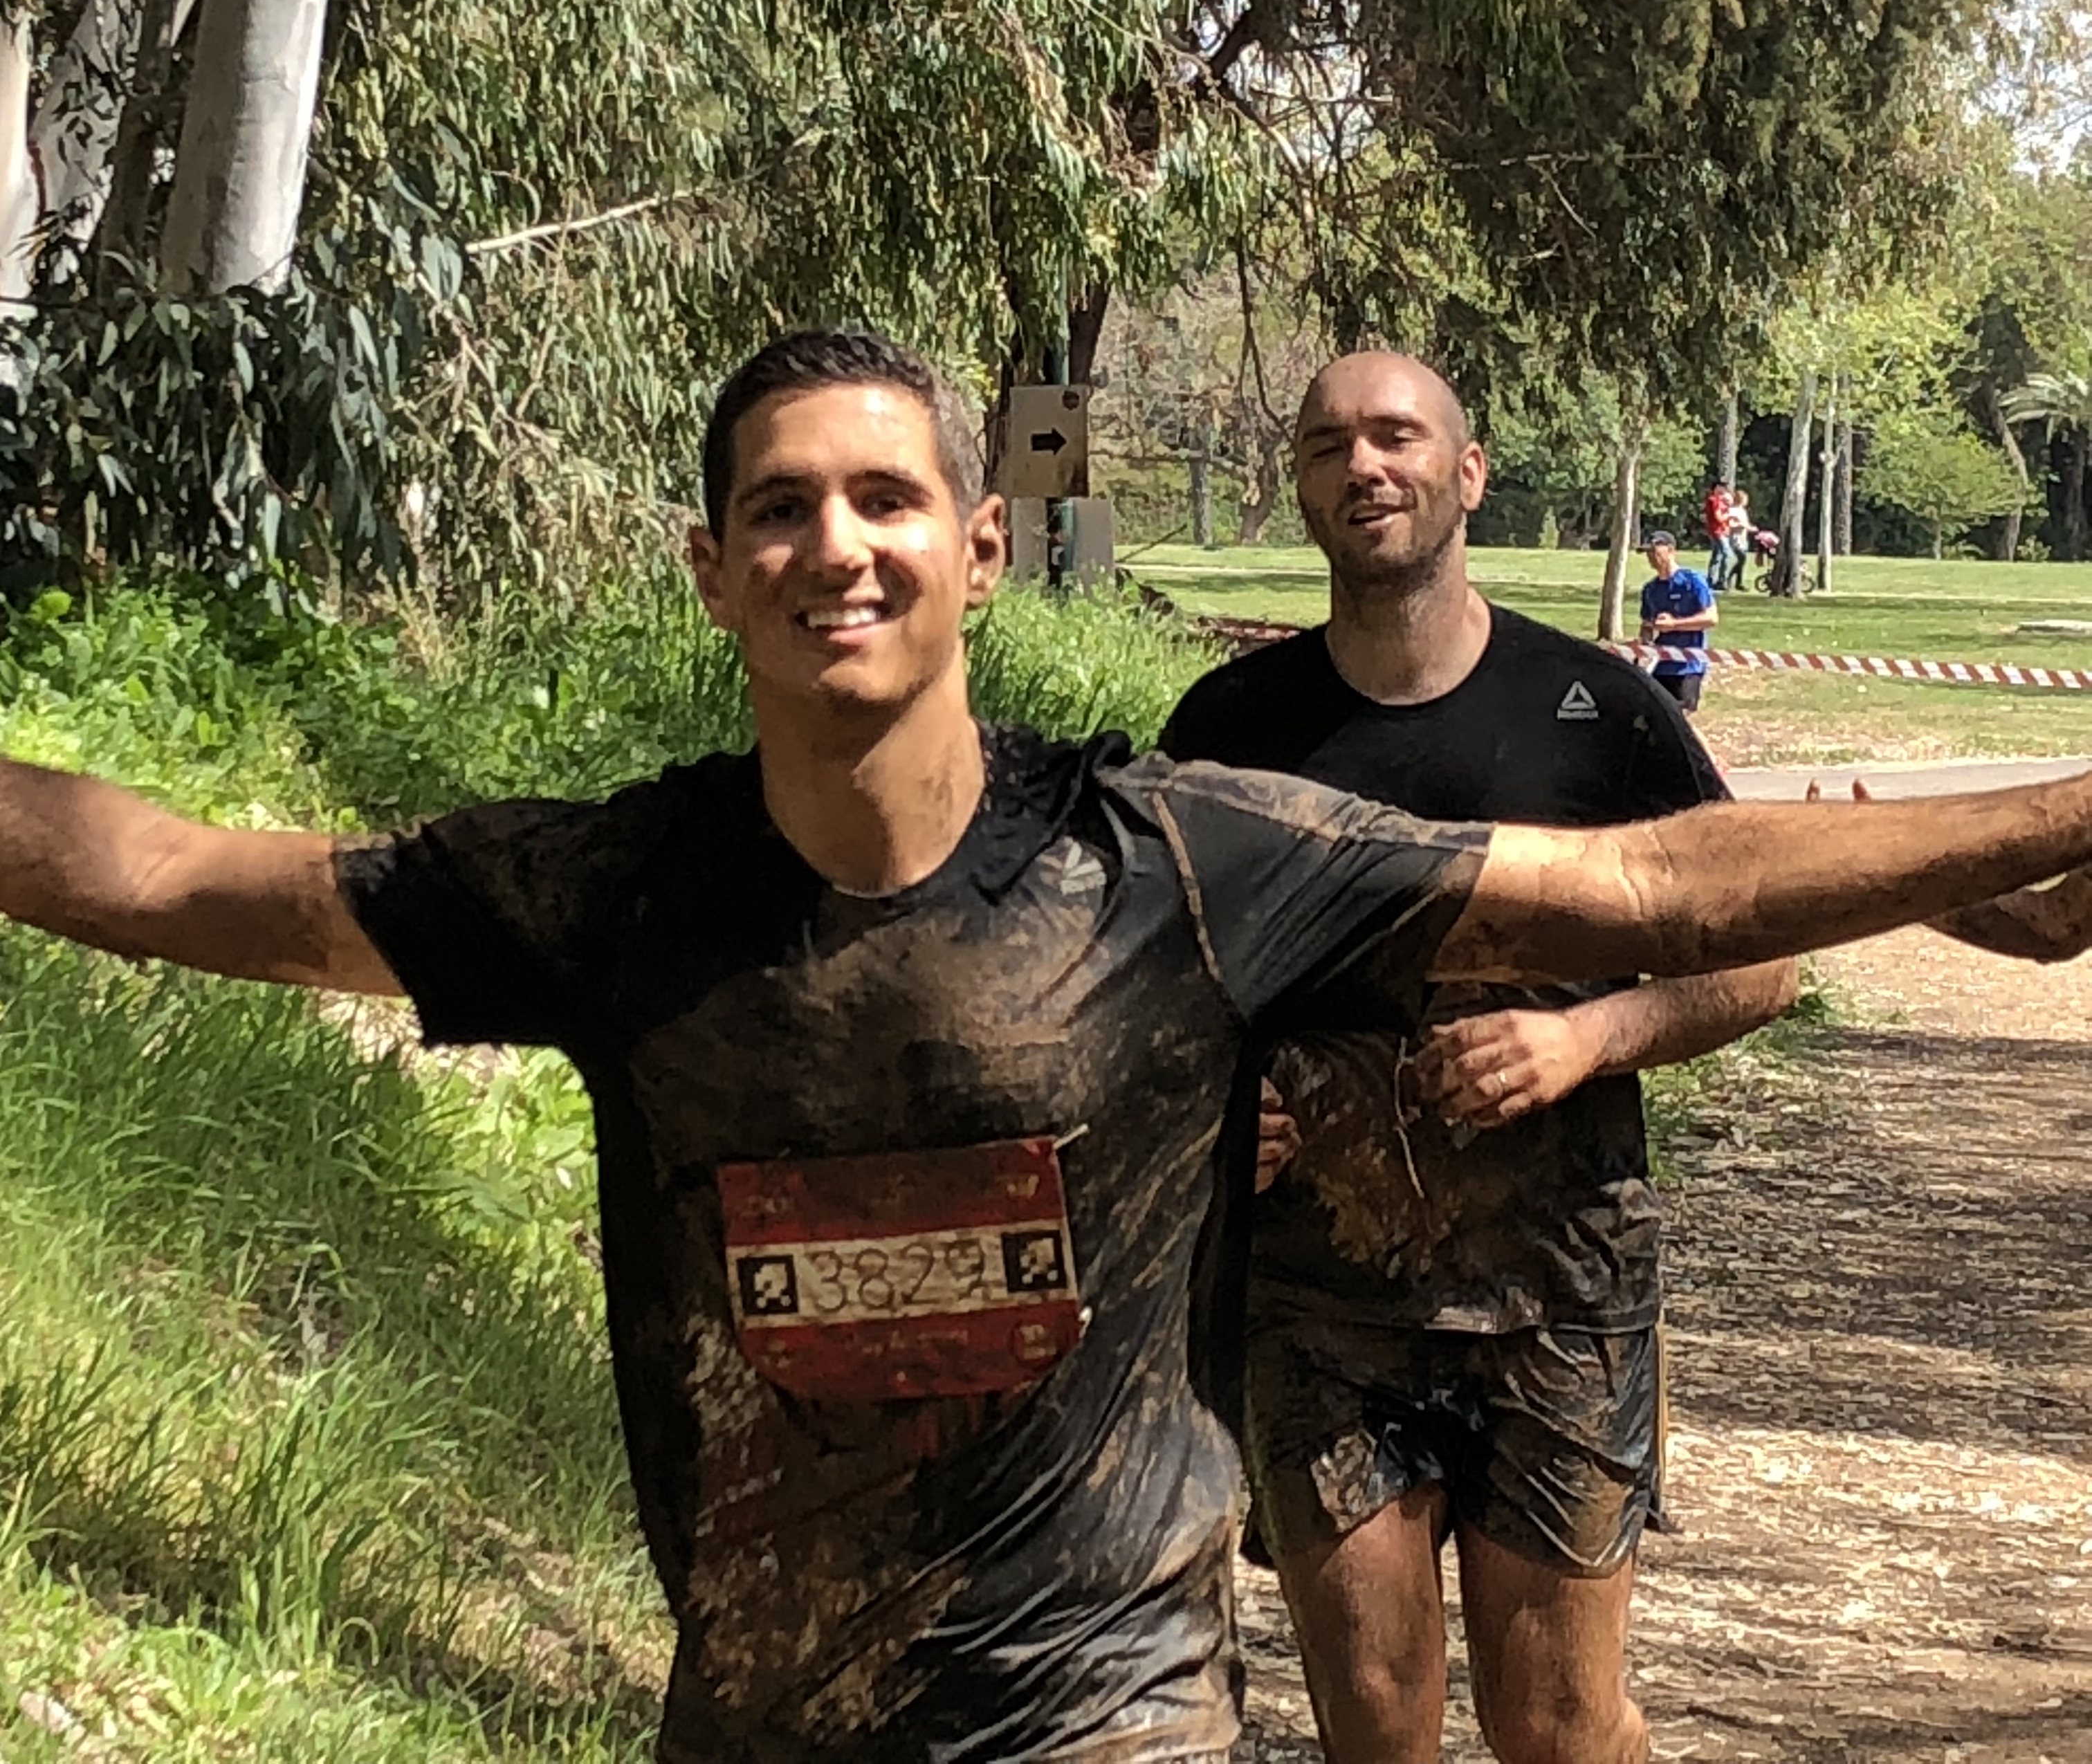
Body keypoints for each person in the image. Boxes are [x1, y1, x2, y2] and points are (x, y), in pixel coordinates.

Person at [11, 329, 2092, 1764]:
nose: (840, 544)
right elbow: (182, 871)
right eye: (781, 509)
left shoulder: (1174, 864)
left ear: (980, 548)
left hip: (1115, 1717)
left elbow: (1653, 896)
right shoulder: (614, 901)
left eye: (889, 499)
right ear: (716, 569)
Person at [1160, 353, 1796, 1764]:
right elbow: (1167, 998)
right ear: (1303, 489)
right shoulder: (1228, 734)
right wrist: (1215, 1107)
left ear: (1470, 473)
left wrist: (1588, 1034)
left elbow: (1761, 963)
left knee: (1558, 1732)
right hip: (1316, 1300)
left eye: (1396, 437)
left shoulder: (1605, 713)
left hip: (1558, 1290)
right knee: (1377, 1726)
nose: (1364, 466)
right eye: (1329, 446)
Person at [1638, 531, 1718, 714]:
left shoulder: (1692, 582)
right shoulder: (1650, 590)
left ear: (1671, 550)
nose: (1651, 557)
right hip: (1661, 666)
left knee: (1680, 720)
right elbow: (1646, 624)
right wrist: (1645, 640)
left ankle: (1695, 744)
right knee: (1656, 719)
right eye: (1648, 553)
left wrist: (1674, 624)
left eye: (1654, 551)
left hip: (1688, 666)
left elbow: (1711, 618)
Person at [1702, 481, 1734, 591]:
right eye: (1721, 488)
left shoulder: (1722, 501)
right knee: (1727, 553)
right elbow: (1718, 518)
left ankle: (1711, 579)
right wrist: (1729, 515)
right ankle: (1722, 580)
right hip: (1717, 531)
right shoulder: (1713, 500)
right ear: (1715, 489)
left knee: (1717, 556)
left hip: (1722, 531)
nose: (1723, 491)